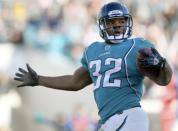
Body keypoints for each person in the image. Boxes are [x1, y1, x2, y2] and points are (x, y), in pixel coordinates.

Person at [14, 2, 173, 131]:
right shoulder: (93, 50)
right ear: (102, 25)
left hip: (129, 116)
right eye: (112, 22)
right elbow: (74, 82)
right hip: (107, 121)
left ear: (128, 22)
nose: (117, 25)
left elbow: (164, 80)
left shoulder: (138, 46)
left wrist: (162, 65)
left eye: (121, 21)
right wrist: (39, 79)